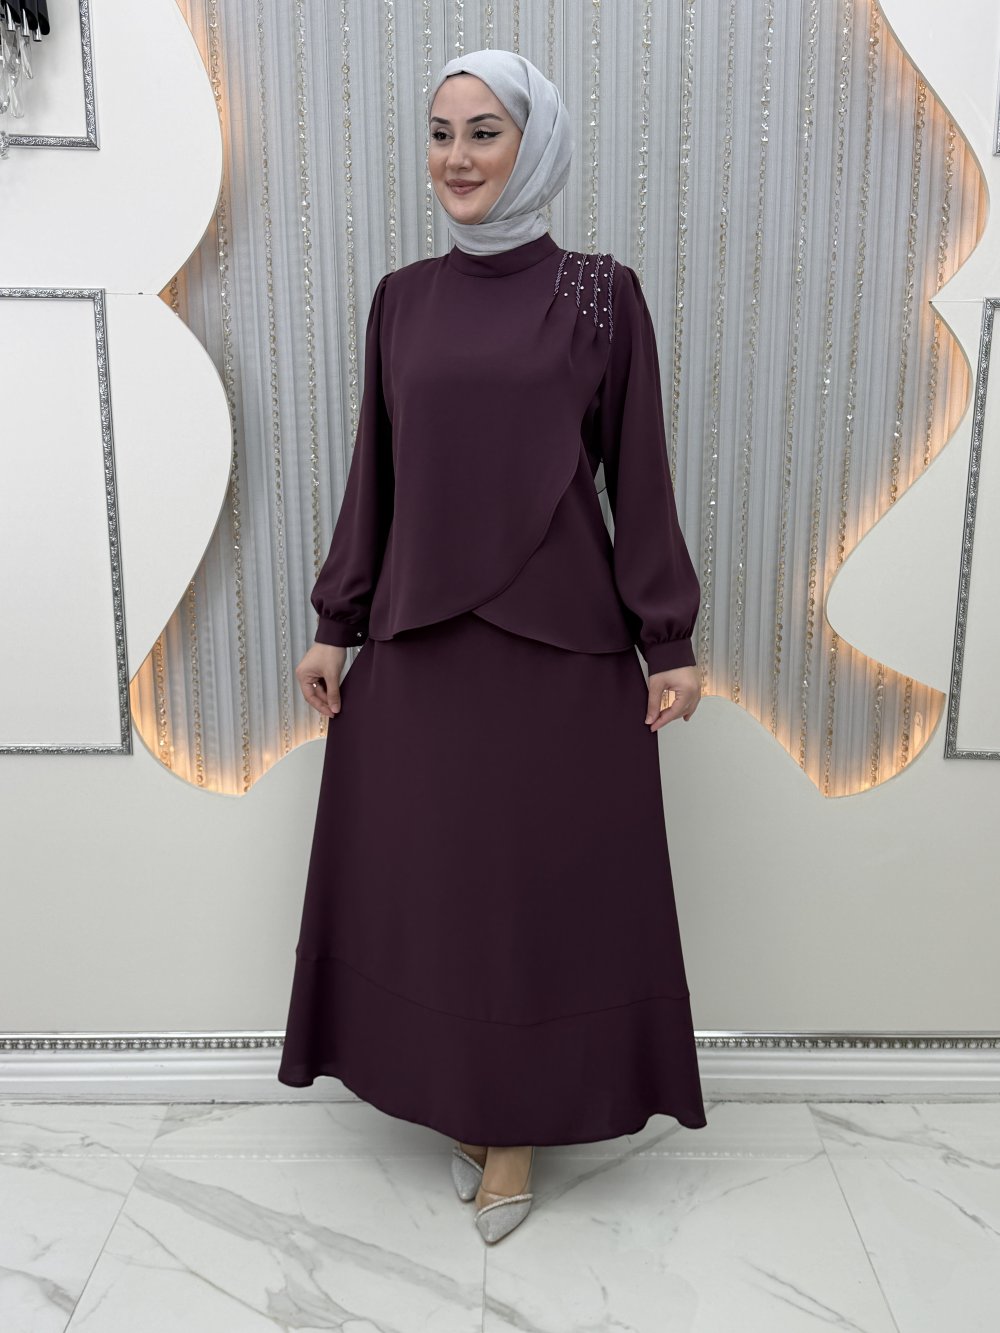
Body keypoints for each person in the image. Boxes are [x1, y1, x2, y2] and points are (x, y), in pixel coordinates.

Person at [277, 48, 706, 1245]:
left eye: (484, 132)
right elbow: (376, 473)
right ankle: (464, 1095)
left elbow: (639, 473)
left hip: (558, 651)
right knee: (440, 891)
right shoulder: (401, 299)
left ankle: (512, 1123)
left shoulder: (599, 295)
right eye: (440, 133)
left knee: (532, 894)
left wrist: (667, 637)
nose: (456, 158)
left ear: (535, 144)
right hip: (420, 649)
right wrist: (335, 620)